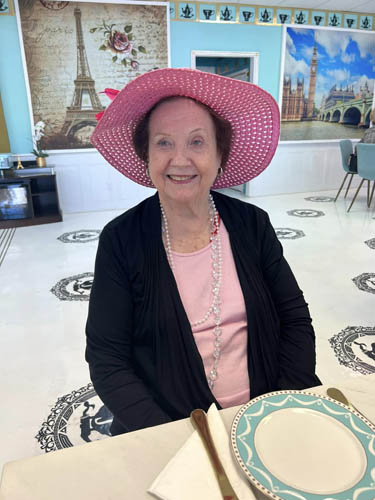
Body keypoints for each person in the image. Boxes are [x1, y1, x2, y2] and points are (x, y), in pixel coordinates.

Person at [86, 68, 321, 436]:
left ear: (219, 155)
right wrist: (175, 440)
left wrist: (282, 407)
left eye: (197, 142)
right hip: (171, 429)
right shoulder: (120, 240)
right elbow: (107, 361)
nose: (180, 159)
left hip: (268, 413)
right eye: (163, 143)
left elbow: (294, 320)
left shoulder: (252, 224)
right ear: (146, 156)